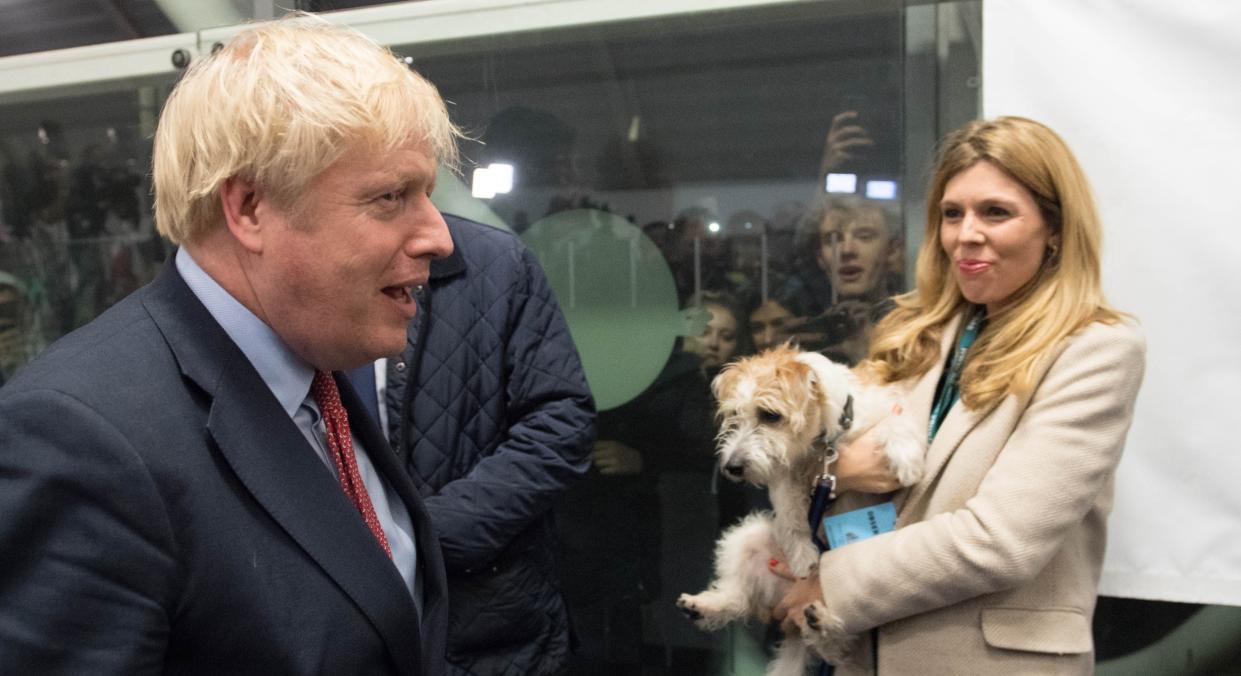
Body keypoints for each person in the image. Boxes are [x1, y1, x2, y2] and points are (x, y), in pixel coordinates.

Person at [0, 16, 460, 674]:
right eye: (390, 197)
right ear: (248, 208)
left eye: (427, 194)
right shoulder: (78, 439)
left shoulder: (317, 376)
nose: (439, 236)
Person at [772, 116, 1146, 674]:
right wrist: (835, 473)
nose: (966, 234)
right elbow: (812, 457)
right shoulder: (916, 333)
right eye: (952, 213)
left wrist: (834, 584)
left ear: (1057, 230)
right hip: (861, 653)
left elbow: (1000, 539)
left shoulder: (1095, 349)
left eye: (995, 212)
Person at [353, 214, 595, 675]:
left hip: (487, 621)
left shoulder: (496, 263)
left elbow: (561, 422)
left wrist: (426, 539)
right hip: (337, 616)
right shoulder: (297, 267)